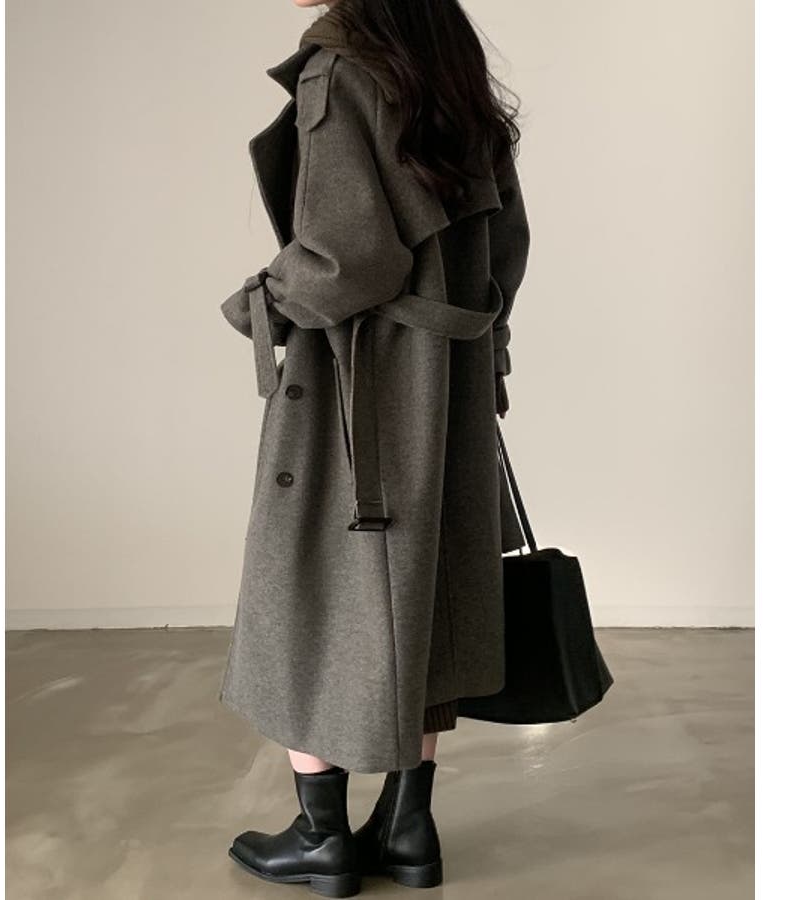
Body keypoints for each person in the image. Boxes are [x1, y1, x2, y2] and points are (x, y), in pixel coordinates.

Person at [217, 0, 529, 895]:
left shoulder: (340, 70)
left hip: (357, 379)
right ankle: (406, 829)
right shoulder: (448, 70)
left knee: (302, 589)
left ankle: (322, 838)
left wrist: (261, 302)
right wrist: (474, 355)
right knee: (424, 591)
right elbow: (506, 244)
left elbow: (346, 258)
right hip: (446, 382)